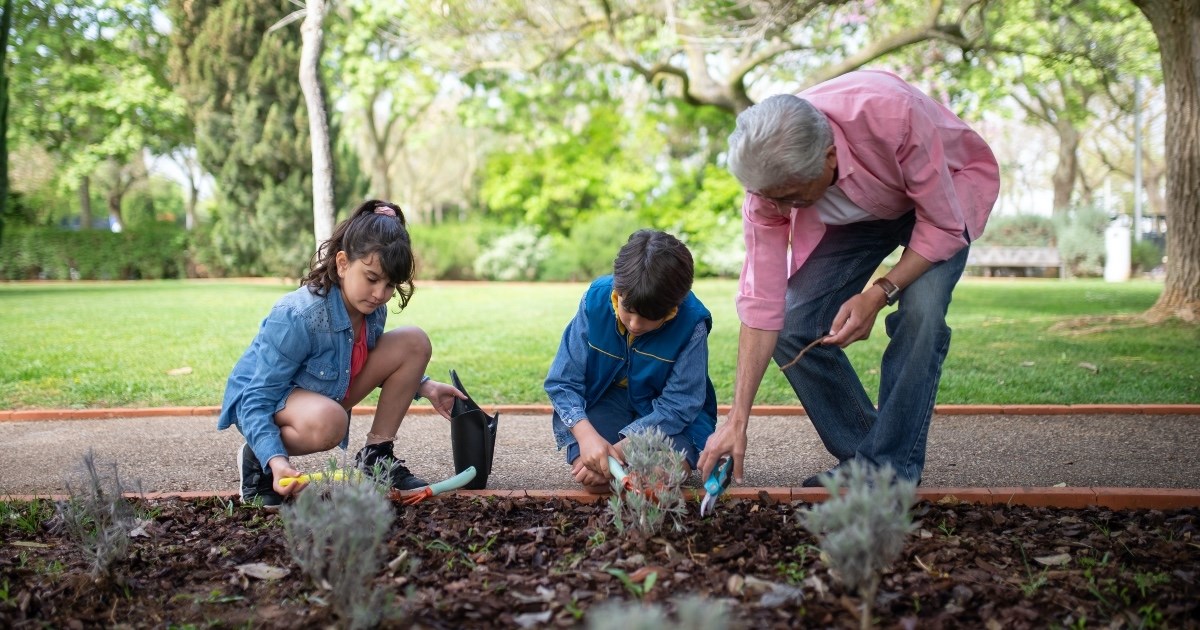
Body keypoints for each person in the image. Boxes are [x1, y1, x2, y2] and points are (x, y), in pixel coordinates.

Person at [697, 70, 1000, 487]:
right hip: (861, 214)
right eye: (772, 198)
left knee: (922, 313)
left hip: (942, 197)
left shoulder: (891, 114)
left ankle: (888, 472)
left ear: (829, 157)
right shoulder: (768, 186)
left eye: (791, 197)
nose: (779, 208)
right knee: (793, 320)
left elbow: (944, 227)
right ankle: (869, 460)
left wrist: (878, 293)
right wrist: (737, 420)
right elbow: (762, 303)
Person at [219, 199, 465, 508]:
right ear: (343, 263)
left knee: (414, 341)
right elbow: (257, 398)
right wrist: (276, 460)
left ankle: (376, 459)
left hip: (322, 391)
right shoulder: (299, 315)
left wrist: (424, 386)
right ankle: (259, 459)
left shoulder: (371, 309)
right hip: (265, 399)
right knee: (331, 423)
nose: (380, 294)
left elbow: (361, 357)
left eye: (390, 285)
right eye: (372, 279)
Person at [545, 229, 718, 492]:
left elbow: (680, 404)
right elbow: (562, 382)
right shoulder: (594, 301)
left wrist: (618, 450)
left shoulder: (692, 323)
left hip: (668, 417)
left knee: (657, 479)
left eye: (650, 317)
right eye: (628, 311)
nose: (635, 324)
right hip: (607, 401)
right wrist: (587, 437)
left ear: (674, 306)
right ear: (617, 291)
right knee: (597, 479)